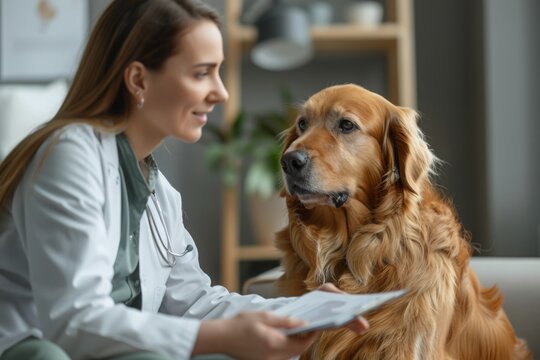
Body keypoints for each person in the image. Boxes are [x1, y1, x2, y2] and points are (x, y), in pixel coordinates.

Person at [0, 1, 369, 359]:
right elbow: (75, 321)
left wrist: (300, 312)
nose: (220, 93)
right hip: (31, 343)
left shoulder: (159, 194)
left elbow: (194, 303)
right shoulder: (71, 154)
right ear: (139, 80)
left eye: (218, 72)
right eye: (201, 73)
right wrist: (223, 337)